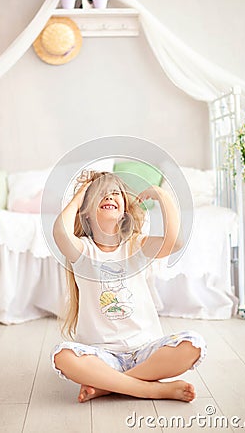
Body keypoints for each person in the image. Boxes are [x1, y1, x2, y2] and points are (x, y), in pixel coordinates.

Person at [51, 170, 206, 403]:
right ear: (86, 210)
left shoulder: (135, 246)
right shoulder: (83, 252)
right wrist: (82, 192)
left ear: (124, 210)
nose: (109, 197)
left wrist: (161, 195)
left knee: (193, 345)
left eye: (115, 193)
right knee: (63, 356)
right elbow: (60, 231)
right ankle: (152, 390)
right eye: (100, 194)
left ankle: (108, 386)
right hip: (102, 355)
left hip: (145, 351)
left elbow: (176, 241)